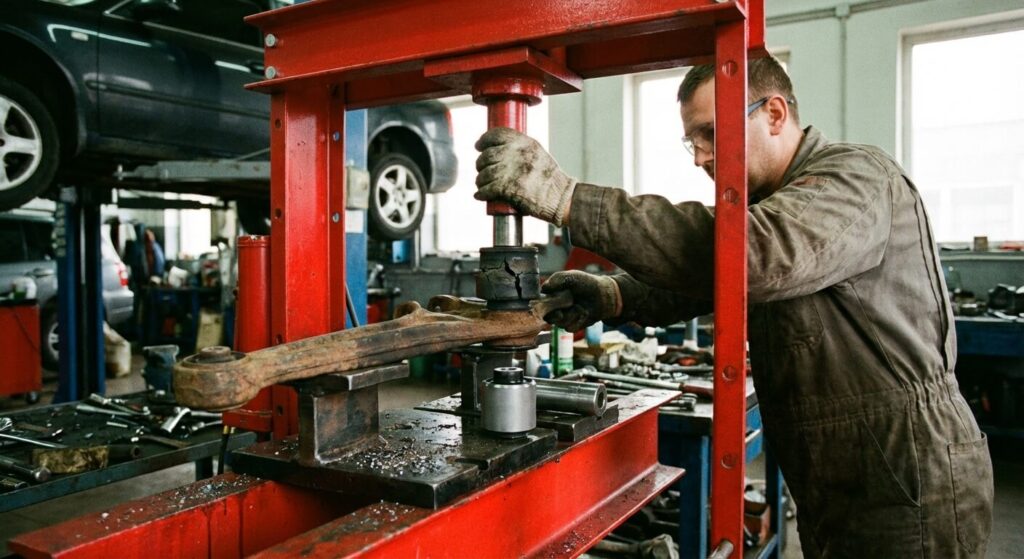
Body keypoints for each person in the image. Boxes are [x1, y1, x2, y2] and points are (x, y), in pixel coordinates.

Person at [474, 55, 993, 558]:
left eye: (711, 135)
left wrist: (568, 199)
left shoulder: (857, 178)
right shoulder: (773, 202)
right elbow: (715, 279)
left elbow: (756, 255)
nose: (700, 156)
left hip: (906, 473)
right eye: (691, 141)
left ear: (774, 114)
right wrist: (616, 294)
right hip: (844, 473)